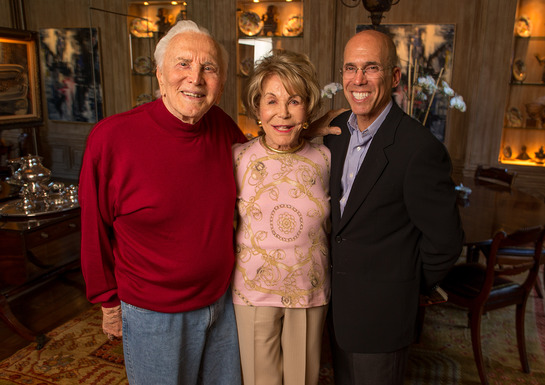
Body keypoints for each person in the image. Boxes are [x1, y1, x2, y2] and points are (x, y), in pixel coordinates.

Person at [78, 20, 247, 385]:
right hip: (153, 314)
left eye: (209, 67)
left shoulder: (223, 126)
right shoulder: (111, 139)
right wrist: (108, 303)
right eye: (183, 63)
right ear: (159, 74)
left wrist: (309, 129)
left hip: (224, 302)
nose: (196, 78)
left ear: (221, 82)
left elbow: (265, 165)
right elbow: (93, 229)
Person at [323, 29, 464, 385]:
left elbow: (445, 242)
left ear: (395, 76)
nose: (358, 80)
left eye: (371, 68)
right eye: (350, 68)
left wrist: (405, 286)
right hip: (336, 311)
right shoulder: (334, 131)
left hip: (383, 317)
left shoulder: (419, 149)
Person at [231, 50, 331, 385]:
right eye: (271, 101)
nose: (283, 113)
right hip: (253, 291)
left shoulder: (326, 158)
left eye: (294, 101)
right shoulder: (237, 158)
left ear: (308, 108)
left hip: (309, 289)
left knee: (303, 380)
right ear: (257, 108)